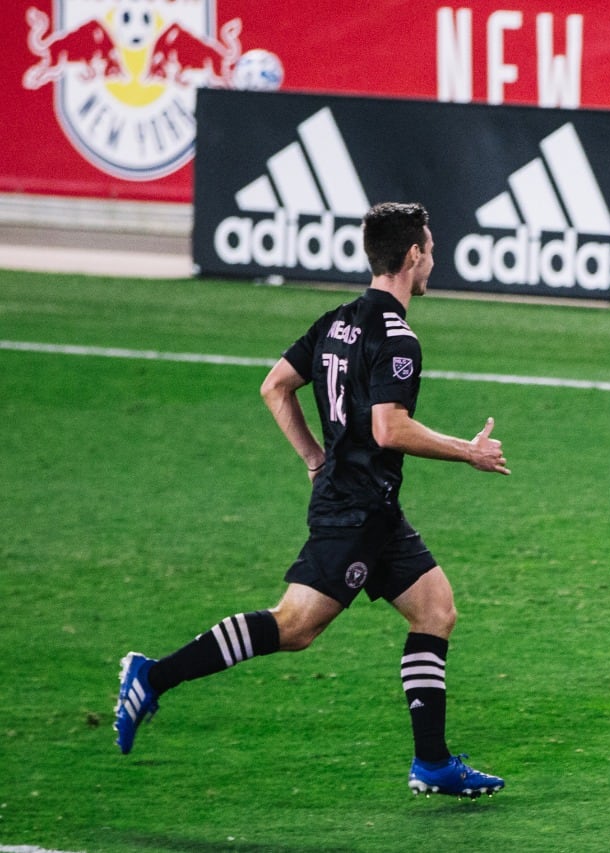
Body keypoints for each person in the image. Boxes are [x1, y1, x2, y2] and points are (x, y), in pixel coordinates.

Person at [115, 202, 510, 798]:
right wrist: (468, 452)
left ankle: (431, 762)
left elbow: (275, 386)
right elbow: (388, 428)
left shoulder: (337, 321)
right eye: (428, 249)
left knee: (435, 610)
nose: (432, 258)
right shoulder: (397, 336)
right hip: (353, 512)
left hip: (371, 508)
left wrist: (313, 458)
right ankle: (153, 675)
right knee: (295, 627)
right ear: (410, 257)